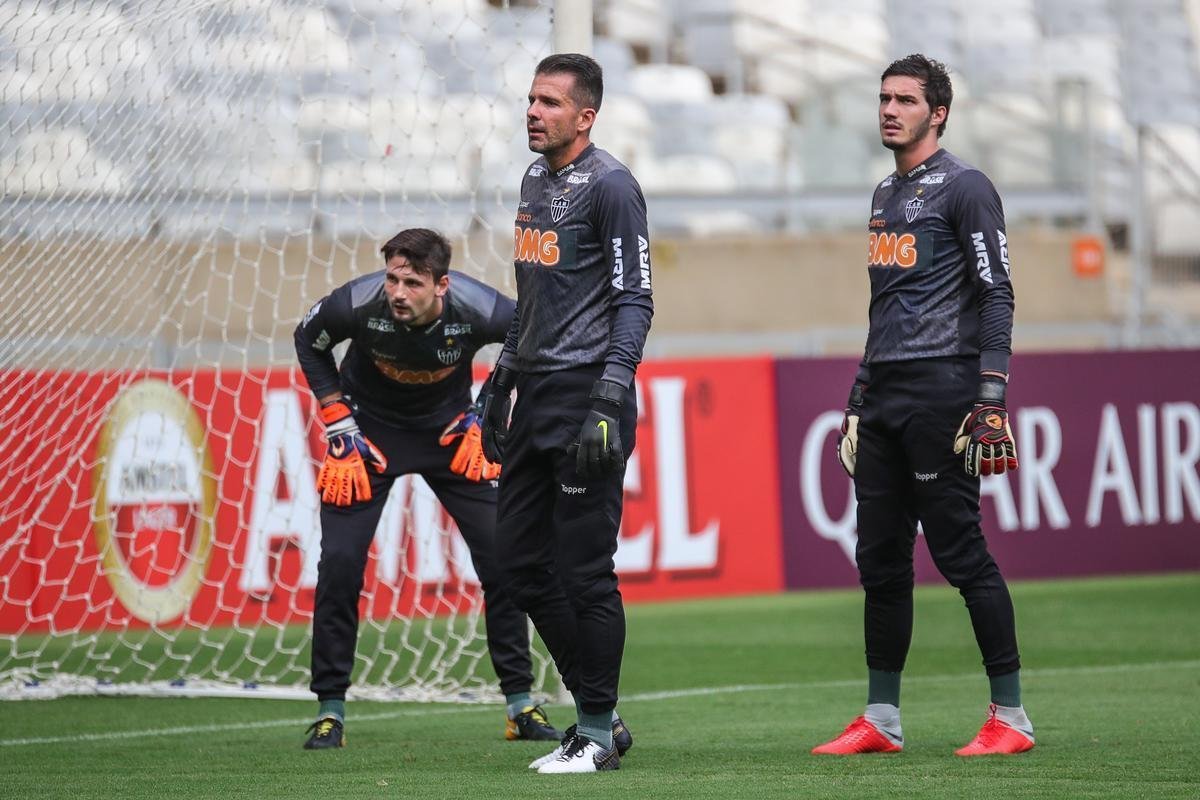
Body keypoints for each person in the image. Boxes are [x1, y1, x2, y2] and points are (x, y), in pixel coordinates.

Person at [812, 54, 1034, 757]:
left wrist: (991, 397)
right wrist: (857, 395)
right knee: (878, 558)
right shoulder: (885, 193)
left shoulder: (966, 188)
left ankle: (1012, 718)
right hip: (884, 395)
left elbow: (997, 292)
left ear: (937, 112)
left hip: (943, 388)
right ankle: (882, 717)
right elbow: (886, 308)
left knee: (961, 553)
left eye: (905, 99)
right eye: (883, 98)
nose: (889, 109)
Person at [293, 227, 561, 749]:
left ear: (442, 285)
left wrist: (486, 412)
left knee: (506, 560)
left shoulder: (481, 309)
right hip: (366, 438)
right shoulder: (354, 302)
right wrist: (336, 418)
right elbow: (308, 340)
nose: (397, 292)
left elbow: (532, 342)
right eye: (393, 278)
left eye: (412, 283)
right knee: (340, 565)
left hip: (450, 437)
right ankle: (330, 711)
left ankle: (519, 705)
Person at [478, 53, 651, 774]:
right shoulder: (532, 180)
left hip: (588, 393)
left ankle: (593, 736)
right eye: (530, 99)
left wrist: (611, 394)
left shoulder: (611, 187)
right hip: (535, 393)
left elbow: (634, 300)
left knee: (585, 570)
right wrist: (499, 382)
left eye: (549, 102)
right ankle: (600, 717)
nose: (532, 111)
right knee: (518, 563)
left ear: (585, 115)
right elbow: (532, 302)